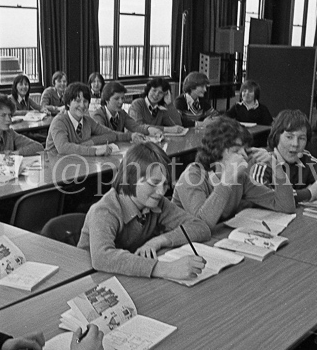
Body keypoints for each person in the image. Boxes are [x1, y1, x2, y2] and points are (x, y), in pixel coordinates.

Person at [77, 142, 210, 279]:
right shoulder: (105, 210)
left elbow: (201, 228)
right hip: (89, 279)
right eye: (153, 183)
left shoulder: (157, 204)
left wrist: (159, 241)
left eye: (165, 184)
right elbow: (102, 257)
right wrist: (166, 269)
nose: (161, 192)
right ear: (130, 178)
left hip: (128, 277)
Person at [172, 117, 294, 230]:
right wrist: (226, 182)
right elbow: (201, 225)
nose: (244, 155)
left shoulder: (240, 178)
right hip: (182, 242)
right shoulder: (192, 176)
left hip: (215, 238)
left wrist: (276, 166)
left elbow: (285, 206)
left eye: (245, 149)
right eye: (236, 150)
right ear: (216, 151)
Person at [248, 110, 317, 203]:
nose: (295, 144)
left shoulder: (304, 158)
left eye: (301, 138)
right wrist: (309, 192)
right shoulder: (263, 161)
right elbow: (264, 197)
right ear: (277, 137)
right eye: (289, 137)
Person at [45, 82, 138, 156]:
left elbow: (111, 134)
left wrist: (131, 136)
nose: (82, 105)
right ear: (68, 103)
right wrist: (95, 150)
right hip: (55, 168)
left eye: (85, 101)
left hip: (78, 165)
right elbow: (63, 148)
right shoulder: (59, 121)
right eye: (77, 101)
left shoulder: (87, 121)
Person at [92, 81, 163, 138]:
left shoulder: (122, 113)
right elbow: (107, 134)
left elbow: (136, 126)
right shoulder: (98, 115)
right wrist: (130, 136)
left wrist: (149, 129)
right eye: (116, 99)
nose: (121, 102)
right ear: (107, 100)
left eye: (122, 98)